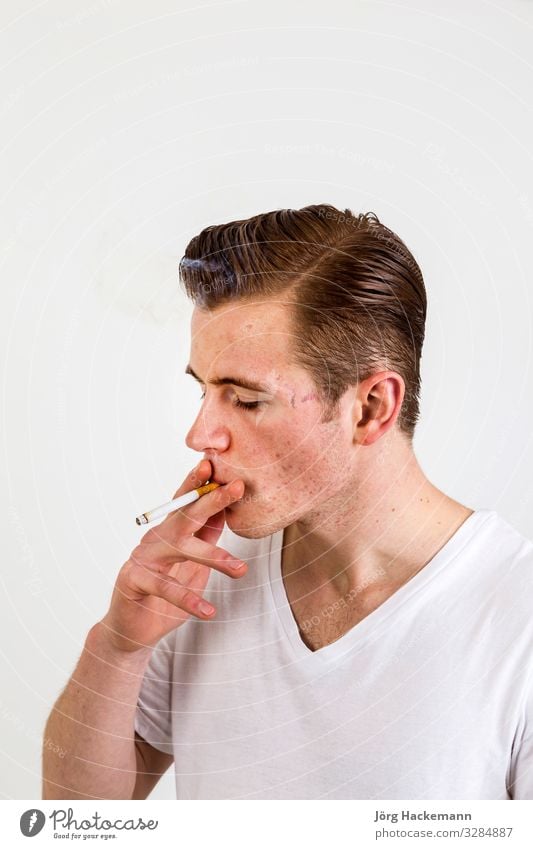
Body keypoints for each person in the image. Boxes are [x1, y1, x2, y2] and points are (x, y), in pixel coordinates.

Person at [42, 204, 533, 800]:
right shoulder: (199, 584)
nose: (199, 436)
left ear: (372, 408)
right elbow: (80, 823)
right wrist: (118, 646)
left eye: (245, 401)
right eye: (203, 389)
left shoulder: (514, 620)